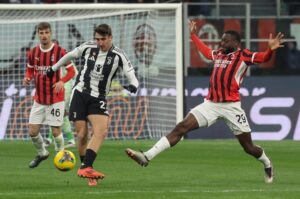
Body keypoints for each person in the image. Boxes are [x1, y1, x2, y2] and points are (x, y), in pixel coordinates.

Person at [126, 20, 285, 184]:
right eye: (221, 40)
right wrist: (193, 36)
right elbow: (206, 51)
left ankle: (267, 163)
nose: (222, 43)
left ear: (236, 43)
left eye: (225, 41)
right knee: (181, 127)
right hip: (211, 104)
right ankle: (147, 157)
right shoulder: (219, 54)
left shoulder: (243, 55)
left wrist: (270, 50)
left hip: (232, 107)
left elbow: (262, 58)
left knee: (248, 148)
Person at [46, 24, 139, 186]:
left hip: (99, 98)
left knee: (101, 131)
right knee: (82, 134)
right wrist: (53, 68)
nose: (100, 43)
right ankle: (87, 168)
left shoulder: (119, 55)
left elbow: (131, 74)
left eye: (103, 39)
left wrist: (134, 85)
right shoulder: (88, 47)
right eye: (97, 39)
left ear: (110, 37)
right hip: (81, 93)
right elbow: (70, 56)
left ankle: (86, 166)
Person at [23, 22, 76, 168]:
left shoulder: (60, 52)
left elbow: (72, 72)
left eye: (46, 32)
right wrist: (27, 78)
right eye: (41, 33)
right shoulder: (33, 53)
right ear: (38, 35)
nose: (44, 35)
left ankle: (61, 155)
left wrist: (62, 81)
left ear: (51, 33)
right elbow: (30, 70)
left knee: (55, 129)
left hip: (56, 98)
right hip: (39, 99)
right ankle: (42, 153)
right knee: (33, 131)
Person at [44, 39, 77, 149]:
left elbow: (74, 73)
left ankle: (67, 138)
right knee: (55, 113)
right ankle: (53, 138)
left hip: (65, 87)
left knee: (61, 113)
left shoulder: (63, 56)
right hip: (54, 88)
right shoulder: (47, 58)